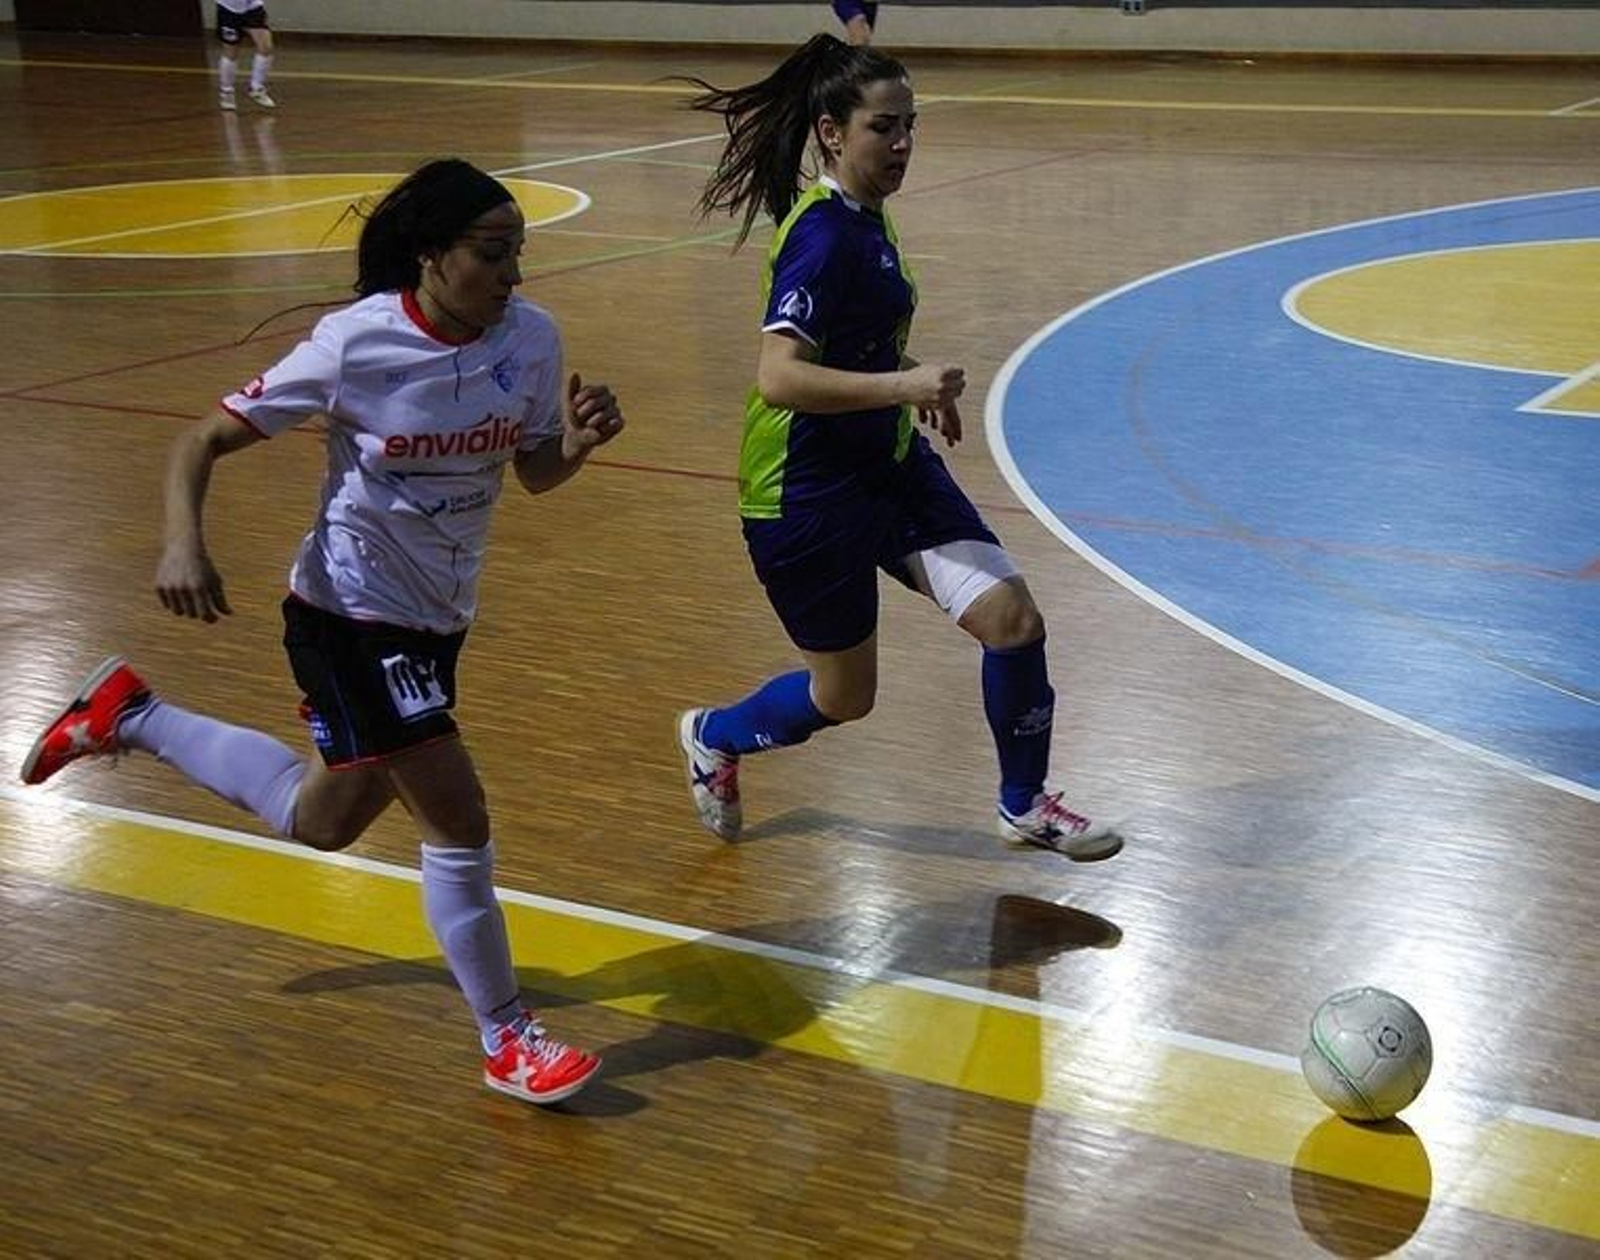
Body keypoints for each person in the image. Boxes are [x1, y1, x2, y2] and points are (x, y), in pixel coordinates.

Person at [20, 158, 624, 1106]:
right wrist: (183, 543)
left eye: (519, 253)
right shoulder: (355, 344)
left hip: (437, 619)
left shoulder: (531, 338)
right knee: (458, 816)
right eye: (492, 253)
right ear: (431, 256)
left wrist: (575, 446)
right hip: (347, 614)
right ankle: (508, 1037)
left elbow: (535, 471)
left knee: (322, 821)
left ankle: (129, 713)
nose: (512, 275)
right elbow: (200, 439)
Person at [675, 37, 1122, 860]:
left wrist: (910, 379)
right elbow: (780, 376)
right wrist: (902, 386)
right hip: (803, 497)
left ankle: (1024, 805)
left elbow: (854, 342)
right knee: (846, 697)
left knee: (1014, 621)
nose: (904, 143)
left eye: (911, 125)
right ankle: (716, 735)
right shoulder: (822, 237)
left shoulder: (864, 218)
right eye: (884, 128)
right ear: (831, 133)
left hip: (888, 467)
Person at [216, 0, 277, 111]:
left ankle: (257, 88)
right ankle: (227, 91)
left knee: (266, 47)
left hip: (252, 8)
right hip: (228, 9)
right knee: (231, 52)